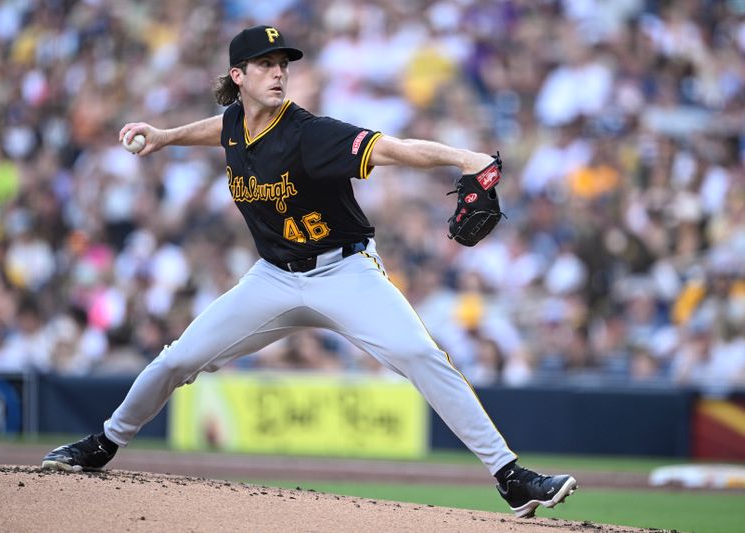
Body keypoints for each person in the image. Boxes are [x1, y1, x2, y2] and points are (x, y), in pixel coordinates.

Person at [42, 25, 577, 518]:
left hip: (345, 273)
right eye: (265, 64)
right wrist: (164, 136)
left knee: (420, 354)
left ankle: (509, 475)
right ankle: (104, 444)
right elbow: (222, 130)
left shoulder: (309, 133)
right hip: (273, 278)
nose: (278, 72)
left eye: (283, 64)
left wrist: (466, 158)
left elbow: (391, 148)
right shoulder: (234, 123)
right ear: (238, 77)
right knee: (176, 358)